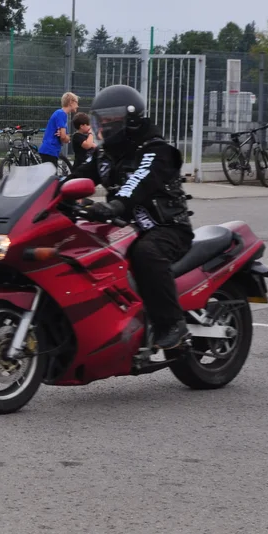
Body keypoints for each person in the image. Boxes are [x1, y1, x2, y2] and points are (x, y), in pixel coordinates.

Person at [67, 84, 194, 351]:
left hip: (166, 227)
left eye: (112, 119)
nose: (105, 125)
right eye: (102, 120)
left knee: (146, 253)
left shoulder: (156, 150)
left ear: (132, 120)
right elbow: (75, 178)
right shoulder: (104, 155)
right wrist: (48, 193)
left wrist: (115, 206)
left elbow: (138, 180)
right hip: (123, 227)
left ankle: (172, 324)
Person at [39, 92, 79, 167]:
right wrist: (66, 137)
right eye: (76, 102)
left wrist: (65, 136)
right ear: (71, 102)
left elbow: (64, 137)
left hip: (50, 151)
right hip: (50, 151)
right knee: (52, 174)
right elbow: (63, 137)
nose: (78, 105)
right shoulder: (61, 114)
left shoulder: (61, 114)